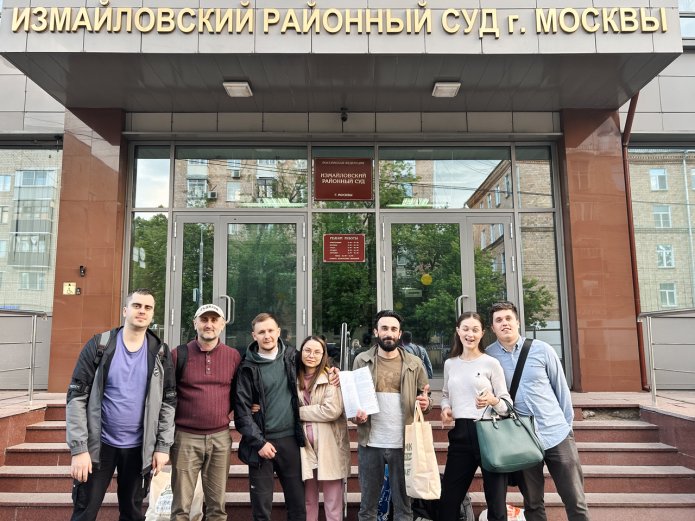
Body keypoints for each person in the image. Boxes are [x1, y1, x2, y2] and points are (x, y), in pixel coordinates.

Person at [66, 288, 176, 521]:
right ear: (125, 310)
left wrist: (162, 447)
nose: (142, 311)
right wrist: (79, 449)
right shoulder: (99, 345)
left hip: (139, 449)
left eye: (147, 307)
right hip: (98, 446)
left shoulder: (160, 352)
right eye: (137, 306)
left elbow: (168, 402)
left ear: (152, 314)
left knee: (132, 513)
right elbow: (76, 397)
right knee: (85, 512)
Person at [486, 301, 590, 521]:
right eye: (499, 320)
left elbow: (561, 390)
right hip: (522, 438)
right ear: (493, 327)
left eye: (508, 318)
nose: (504, 323)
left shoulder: (542, 349)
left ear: (517, 322)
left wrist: (567, 427)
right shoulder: (489, 357)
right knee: (533, 504)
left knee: (575, 500)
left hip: (556, 433)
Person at [352, 309, 431, 521]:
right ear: (376, 331)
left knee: (404, 507)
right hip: (370, 440)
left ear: (400, 333)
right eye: (384, 328)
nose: (389, 333)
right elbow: (354, 401)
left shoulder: (414, 363)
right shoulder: (361, 360)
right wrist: (356, 416)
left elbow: (425, 397)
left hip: (404, 442)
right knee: (367, 506)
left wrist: (426, 404)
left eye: (394, 329)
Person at [170, 304, 242, 521]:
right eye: (204, 320)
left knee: (217, 507)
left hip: (220, 438)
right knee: (181, 506)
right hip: (185, 438)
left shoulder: (233, 356)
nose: (209, 324)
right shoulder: (178, 354)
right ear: (195, 324)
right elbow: (167, 395)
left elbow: (238, 392)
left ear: (222, 325)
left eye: (214, 320)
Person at [233, 312, 306, 521]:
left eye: (271, 330)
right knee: (261, 509)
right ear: (254, 335)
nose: (267, 336)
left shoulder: (292, 357)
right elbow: (242, 413)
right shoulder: (246, 367)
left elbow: (317, 367)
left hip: (291, 440)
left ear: (278, 332)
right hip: (261, 444)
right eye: (262, 332)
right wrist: (259, 443)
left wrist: (333, 371)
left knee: (298, 507)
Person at [439, 312, 511, 521]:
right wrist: (446, 409)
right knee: (448, 501)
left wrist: (492, 400)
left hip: (489, 434)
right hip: (461, 434)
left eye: (475, 330)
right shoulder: (450, 364)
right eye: (465, 329)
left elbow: (507, 406)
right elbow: (445, 395)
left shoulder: (491, 363)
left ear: (482, 333)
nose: (470, 334)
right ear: (458, 331)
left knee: (496, 504)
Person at [297, 335, 350, 521]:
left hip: (330, 445)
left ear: (323, 355)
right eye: (307, 350)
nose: (311, 355)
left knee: (333, 500)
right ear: (301, 352)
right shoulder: (291, 377)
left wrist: (298, 412)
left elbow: (332, 410)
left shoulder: (331, 378)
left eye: (317, 352)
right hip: (303, 446)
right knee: (307, 499)